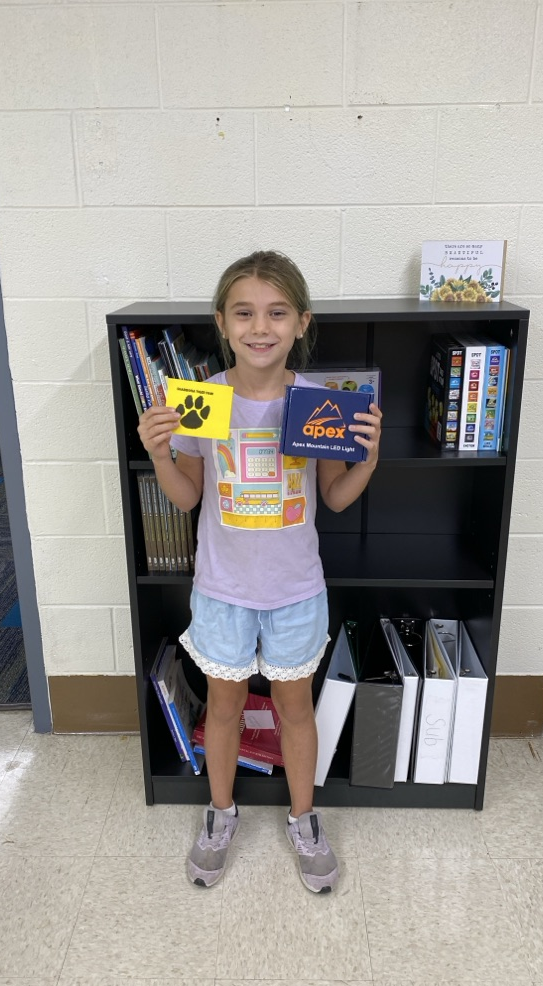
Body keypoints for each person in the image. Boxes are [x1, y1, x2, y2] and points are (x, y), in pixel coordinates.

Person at [137, 250, 382, 893]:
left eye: (276, 313)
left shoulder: (316, 403)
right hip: (223, 591)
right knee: (225, 706)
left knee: (294, 708)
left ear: (301, 322)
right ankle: (221, 813)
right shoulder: (205, 402)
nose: (260, 327)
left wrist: (367, 459)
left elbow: (335, 498)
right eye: (243, 313)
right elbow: (187, 497)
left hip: (296, 591)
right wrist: (160, 455)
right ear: (222, 323)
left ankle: (304, 818)